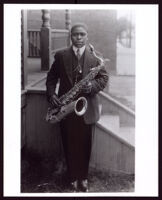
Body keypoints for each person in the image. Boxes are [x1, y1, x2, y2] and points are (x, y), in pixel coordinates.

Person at [46, 23, 108, 192]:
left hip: (86, 108)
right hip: (66, 107)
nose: (79, 38)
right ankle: (73, 177)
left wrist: (93, 86)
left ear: (87, 36)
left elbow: (103, 79)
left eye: (82, 34)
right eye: (75, 35)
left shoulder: (96, 58)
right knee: (69, 143)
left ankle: (83, 177)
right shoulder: (60, 56)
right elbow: (51, 78)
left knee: (85, 144)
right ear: (70, 36)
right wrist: (52, 95)